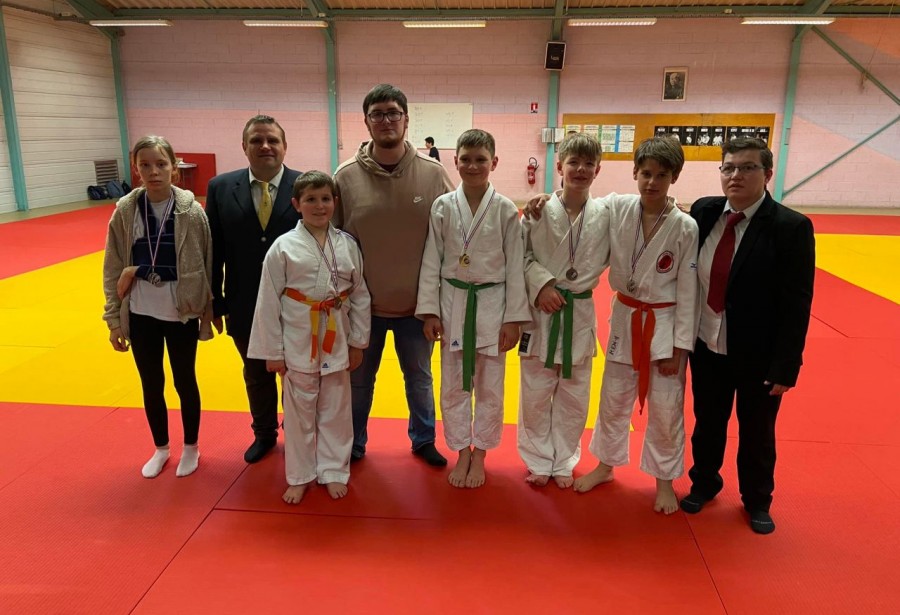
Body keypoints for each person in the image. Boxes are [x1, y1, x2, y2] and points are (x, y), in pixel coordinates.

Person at [680, 137, 815, 534]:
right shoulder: (705, 212)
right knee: (708, 422)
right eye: (728, 167)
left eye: (746, 167)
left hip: (758, 353)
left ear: (767, 174)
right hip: (707, 343)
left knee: (756, 430)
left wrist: (787, 365)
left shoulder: (790, 227)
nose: (735, 175)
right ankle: (704, 482)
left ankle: (757, 499)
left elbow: (797, 302)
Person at [573, 137, 699, 515]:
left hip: (663, 324)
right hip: (625, 318)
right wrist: (542, 203)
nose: (652, 182)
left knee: (665, 407)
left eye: (661, 175)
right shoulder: (617, 208)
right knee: (612, 400)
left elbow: (689, 290)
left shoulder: (685, 227)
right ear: (634, 173)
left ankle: (663, 481)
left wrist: (680, 346)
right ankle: (606, 466)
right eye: (645, 173)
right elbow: (579, 203)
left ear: (674, 177)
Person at [334, 84, 454, 466]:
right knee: (357, 383)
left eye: (393, 113)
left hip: (416, 306)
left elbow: (460, 223)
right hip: (362, 307)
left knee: (419, 379)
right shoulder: (345, 177)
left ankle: (423, 440)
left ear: (405, 120)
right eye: (377, 114)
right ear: (366, 122)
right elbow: (331, 241)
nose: (386, 121)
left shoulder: (433, 174)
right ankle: (352, 444)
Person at [248, 171, 371, 504]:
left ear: (335, 202)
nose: (320, 206)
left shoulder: (346, 244)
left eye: (326, 199)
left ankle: (333, 469)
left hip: (337, 337)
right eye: (311, 199)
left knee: (336, 409)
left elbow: (359, 295)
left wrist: (359, 340)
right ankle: (300, 475)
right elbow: (268, 301)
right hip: (298, 339)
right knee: (300, 410)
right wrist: (273, 351)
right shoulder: (283, 248)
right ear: (296, 204)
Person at [416, 129, 529, 488]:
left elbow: (515, 267)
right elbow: (431, 260)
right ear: (455, 161)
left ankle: (481, 453)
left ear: (494, 163)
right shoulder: (443, 206)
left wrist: (514, 319)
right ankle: (461, 451)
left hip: (493, 304)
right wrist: (430, 310)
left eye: (481, 159)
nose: (473, 165)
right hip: (453, 303)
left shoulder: (507, 210)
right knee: (453, 384)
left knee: (490, 386)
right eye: (466, 158)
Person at [103, 135, 213, 479]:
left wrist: (207, 314)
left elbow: (206, 264)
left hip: (180, 310)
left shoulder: (192, 211)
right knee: (151, 382)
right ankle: (161, 447)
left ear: (174, 169)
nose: (154, 171)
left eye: (161, 164)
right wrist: (113, 319)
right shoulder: (125, 211)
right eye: (145, 165)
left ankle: (191, 446)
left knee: (184, 381)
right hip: (140, 311)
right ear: (136, 170)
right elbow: (112, 265)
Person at [205, 115, 302, 464]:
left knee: (300, 376)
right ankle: (264, 434)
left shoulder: (304, 185)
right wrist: (214, 301)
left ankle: (301, 436)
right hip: (244, 301)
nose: (265, 146)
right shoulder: (220, 187)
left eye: (273, 140)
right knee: (256, 373)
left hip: (299, 303)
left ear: (284, 146)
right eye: (257, 140)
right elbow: (213, 248)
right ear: (244, 147)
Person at [517, 133, 610, 488]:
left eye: (589, 164)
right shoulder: (536, 212)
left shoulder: (606, 214)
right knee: (536, 391)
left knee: (574, 392)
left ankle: (564, 460)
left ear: (598, 170)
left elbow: (641, 213)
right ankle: (539, 460)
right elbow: (519, 256)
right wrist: (541, 283)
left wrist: (673, 206)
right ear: (559, 167)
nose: (581, 170)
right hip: (543, 310)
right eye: (574, 163)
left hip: (580, 311)